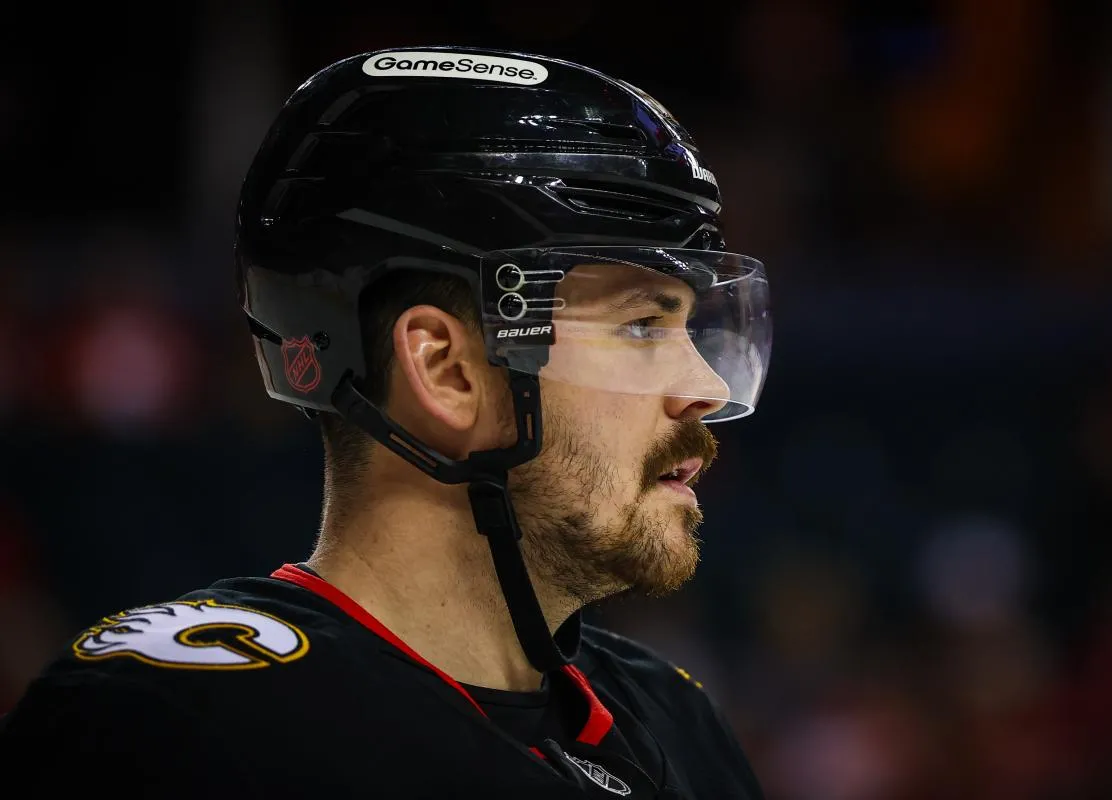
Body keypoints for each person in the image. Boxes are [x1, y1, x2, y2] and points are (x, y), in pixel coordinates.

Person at [0, 46, 773, 798]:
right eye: (641, 326)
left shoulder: (675, 719)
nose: (702, 385)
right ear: (444, 370)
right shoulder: (177, 730)